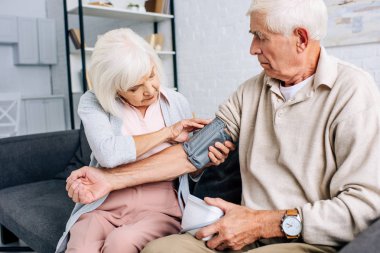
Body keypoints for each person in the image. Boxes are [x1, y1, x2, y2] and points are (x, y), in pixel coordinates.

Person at [66, 0, 380, 252]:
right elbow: (191, 153)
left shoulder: (353, 91)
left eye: (261, 37)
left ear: (299, 38)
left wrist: (261, 223)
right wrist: (109, 180)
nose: (252, 48)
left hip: (301, 237)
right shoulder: (250, 91)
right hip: (239, 229)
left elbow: (364, 206)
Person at [55, 28, 233, 253]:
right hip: (105, 202)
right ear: (113, 87)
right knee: (80, 246)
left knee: (120, 243)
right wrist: (168, 132)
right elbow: (108, 153)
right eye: (134, 87)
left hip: (160, 207)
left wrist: (203, 165)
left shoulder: (176, 102)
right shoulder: (94, 101)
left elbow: (189, 169)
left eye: (151, 75)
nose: (149, 90)